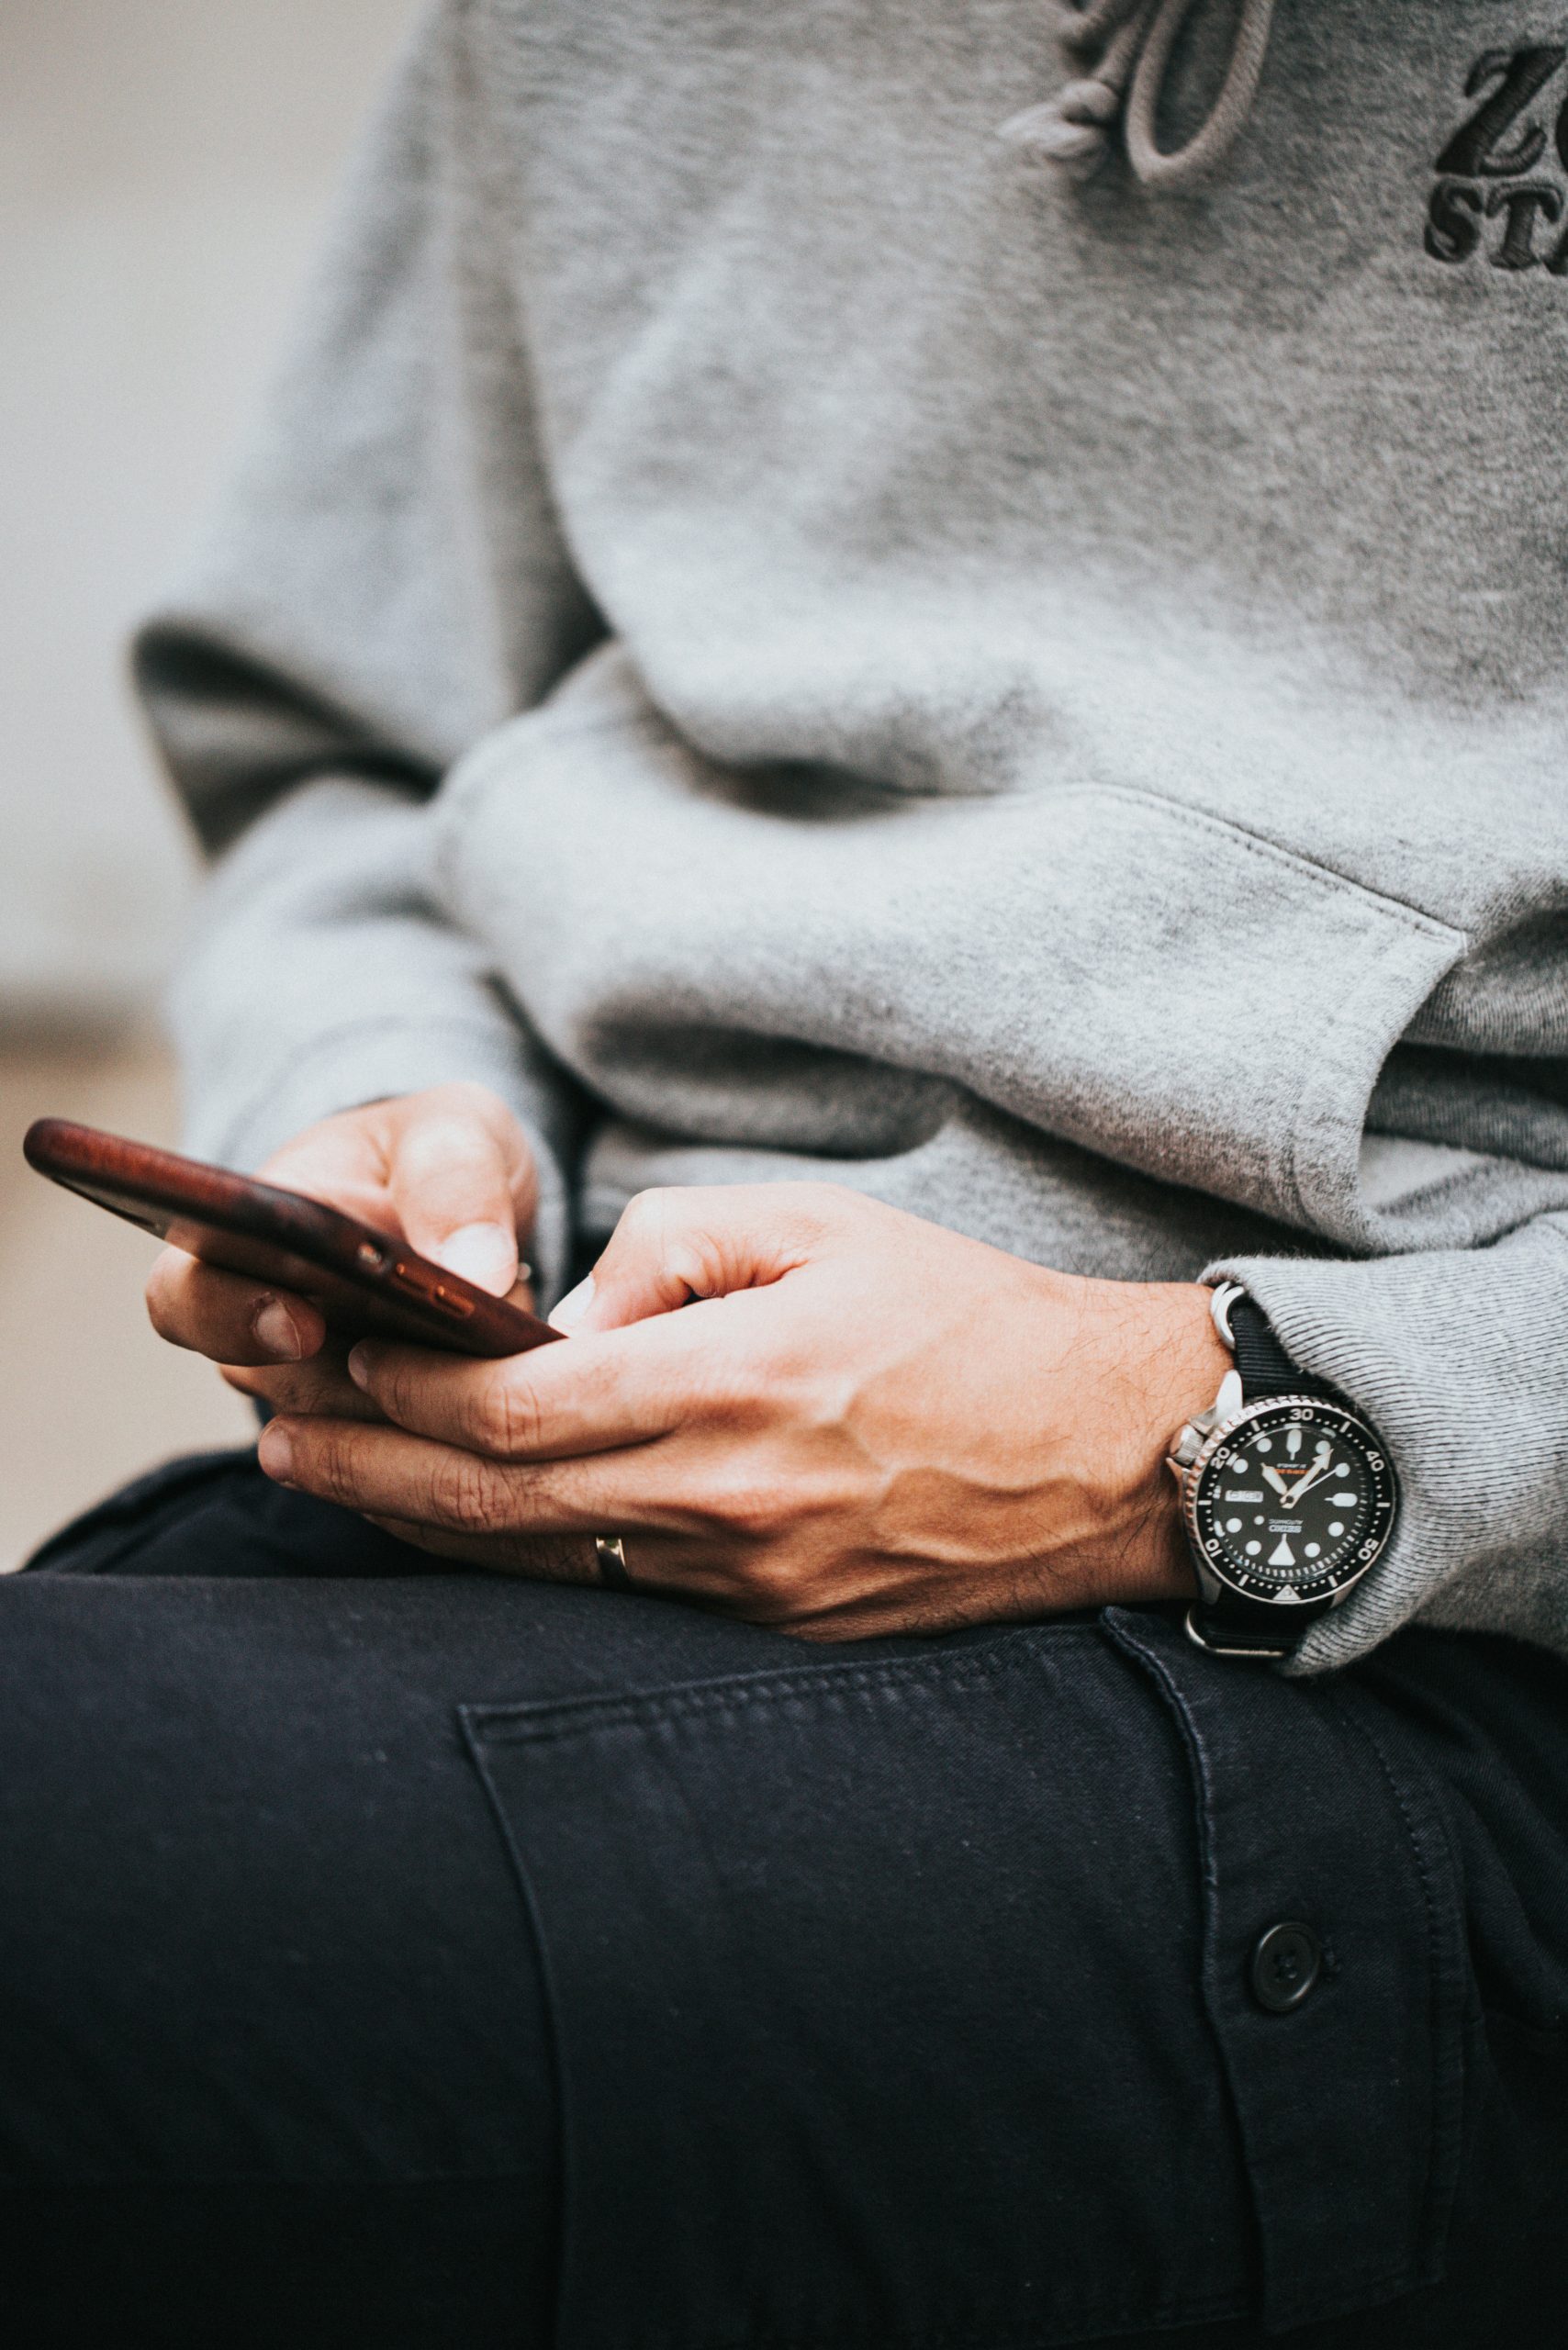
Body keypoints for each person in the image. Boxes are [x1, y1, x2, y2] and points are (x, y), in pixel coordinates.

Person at [5, 3, 1567, 2342]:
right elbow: (351, 743)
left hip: (1410, 1658)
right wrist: (394, 1097)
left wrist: (1204, 1437)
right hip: (531, 1498)